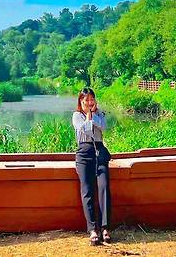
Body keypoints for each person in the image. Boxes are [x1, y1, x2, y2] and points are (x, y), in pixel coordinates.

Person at [72, 87, 112, 245]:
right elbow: (86, 130)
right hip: (84, 153)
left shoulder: (100, 114)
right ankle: (92, 230)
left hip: (99, 152)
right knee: (87, 190)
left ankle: (105, 227)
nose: (89, 102)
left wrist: (94, 114)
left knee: (104, 187)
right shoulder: (76, 116)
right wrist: (89, 115)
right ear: (80, 101)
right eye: (86, 100)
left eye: (91, 99)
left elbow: (103, 127)